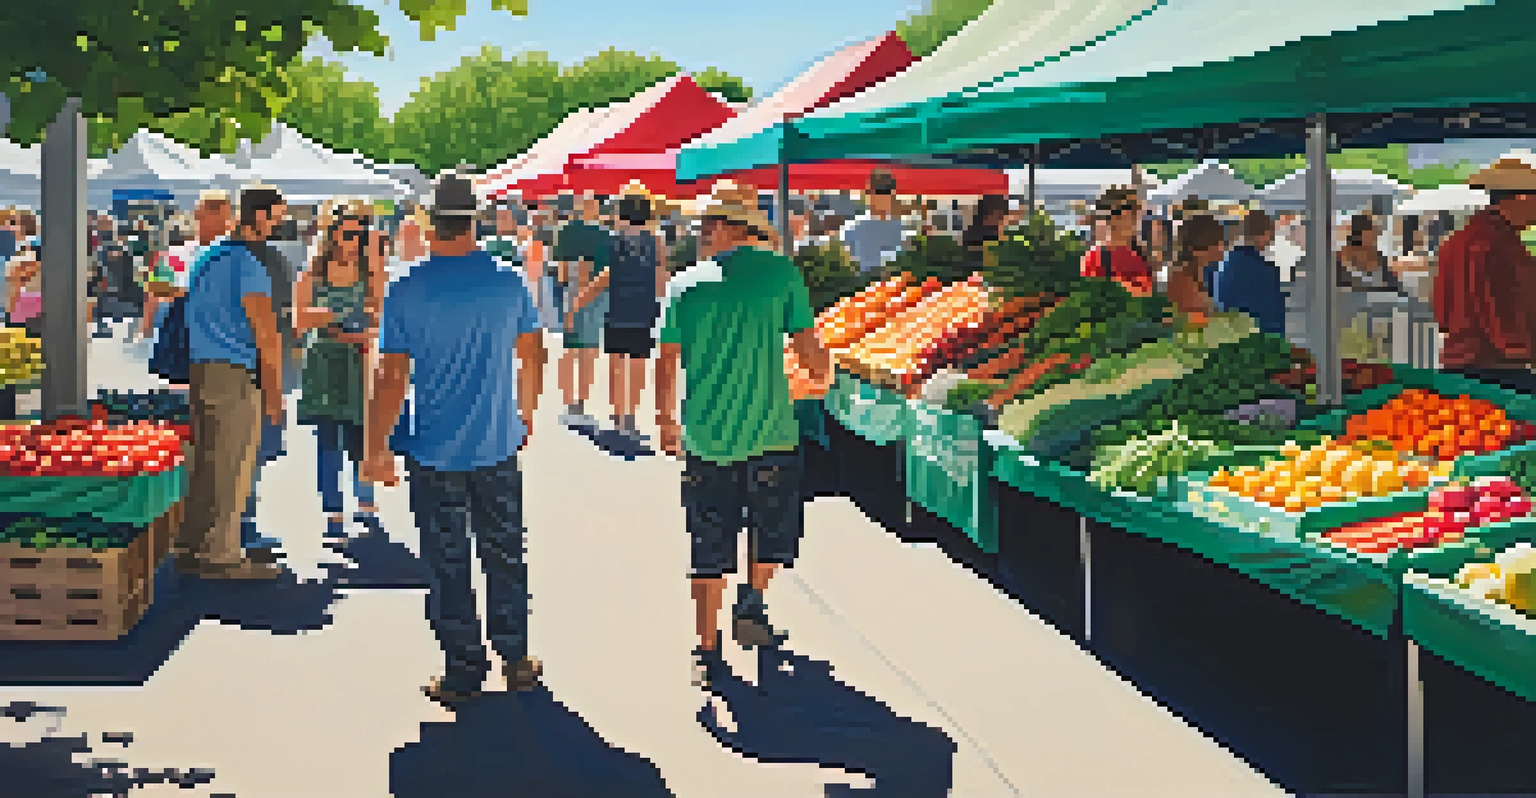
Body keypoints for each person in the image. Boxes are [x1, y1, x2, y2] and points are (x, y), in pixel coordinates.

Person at [363, 173, 547, 707]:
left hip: (433, 446)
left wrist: (376, 447)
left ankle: (464, 667)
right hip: (496, 441)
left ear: (429, 221)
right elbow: (532, 355)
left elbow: (391, 377)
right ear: (476, 219)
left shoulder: (406, 287)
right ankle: (515, 657)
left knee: (447, 559)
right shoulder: (508, 282)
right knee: (505, 550)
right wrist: (525, 414)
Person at [654, 181, 832, 691]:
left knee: (708, 543)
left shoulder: (686, 286)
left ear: (733, 228)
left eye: (710, 223)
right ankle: (751, 600)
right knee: (771, 530)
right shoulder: (781, 276)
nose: (703, 231)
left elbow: (665, 364)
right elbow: (807, 348)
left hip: (706, 437)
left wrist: (666, 421)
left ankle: (706, 648)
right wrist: (824, 374)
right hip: (774, 434)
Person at [173, 185, 290, 581]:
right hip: (236, 372)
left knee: (205, 463)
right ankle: (221, 555)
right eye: (276, 216)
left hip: (202, 368)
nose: (280, 224)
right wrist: (275, 394)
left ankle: (191, 544)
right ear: (259, 216)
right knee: (233, 466)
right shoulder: (248, 264)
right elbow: (265, 333)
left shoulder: (208, 255)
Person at [296, 201, 386, 545]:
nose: (355, 243)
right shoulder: (313, 275)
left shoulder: (369, 273)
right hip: (324, 362)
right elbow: (299, 320)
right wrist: (334, 319)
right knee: (328, 440)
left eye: (361, 236)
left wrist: (365, 331)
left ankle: (365, 503)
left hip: (358, 361)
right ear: (330, 237)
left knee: (360, 437)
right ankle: (333, 512)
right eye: (348, 235)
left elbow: (381, 316)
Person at [1433, 156, 1536, 393]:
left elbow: (1442, 310)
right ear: (1521, 197)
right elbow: (1501, 311)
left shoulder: (1457, 240)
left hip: (1462, 363)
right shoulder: (1496, 244)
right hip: (1496, 368)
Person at [570, 190, 666, 442]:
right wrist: (664, 302)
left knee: (616, 364)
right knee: (636, 365)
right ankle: (630, 417)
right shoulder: (656, 242)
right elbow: (660, 276)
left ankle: (616, 413)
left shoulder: (614, 241)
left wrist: (583, 297)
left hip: (617, 309)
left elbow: (608, 274)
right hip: (644, 311)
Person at [554, 193, 611, 430]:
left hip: (577, 290)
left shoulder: (567, 230)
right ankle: (580, 404)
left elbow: (563, 271)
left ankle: (570, 405)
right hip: (598, 294)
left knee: (572, 351)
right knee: (588, 352)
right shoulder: (606, 235)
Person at [1213, 210, 1284, 335]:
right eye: (1271, 236)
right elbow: (1273, 316)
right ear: (1266, 234)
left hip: (1230, 335)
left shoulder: (1227, 263)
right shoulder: (1265, 271)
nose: (1270, 242)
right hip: (1259, 339)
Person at [1080, 187, 1153, 295]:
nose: (1138, 219)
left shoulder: (1141, 255)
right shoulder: (1095, 260)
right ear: (1115, 217)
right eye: (1133, 212)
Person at [839, 170, 908, 273]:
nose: (882, 197)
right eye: (878, 191)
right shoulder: (851, 228)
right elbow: (846, 264)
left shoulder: (901, 228)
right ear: (869, 193)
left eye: (887, 191)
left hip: (894, 285)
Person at [1165, 214, 1225, 317]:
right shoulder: (1182, 281)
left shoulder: (1198, 274)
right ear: (1196, 249)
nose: (1221, 248)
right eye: (1216, 243)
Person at [1337, 213, 1401, 292]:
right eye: (1372, 232)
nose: (1376, 236)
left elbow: (1393, 285)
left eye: (1376, 233)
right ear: (1358, 233)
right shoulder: (1341, 257)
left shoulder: (1379, 257)